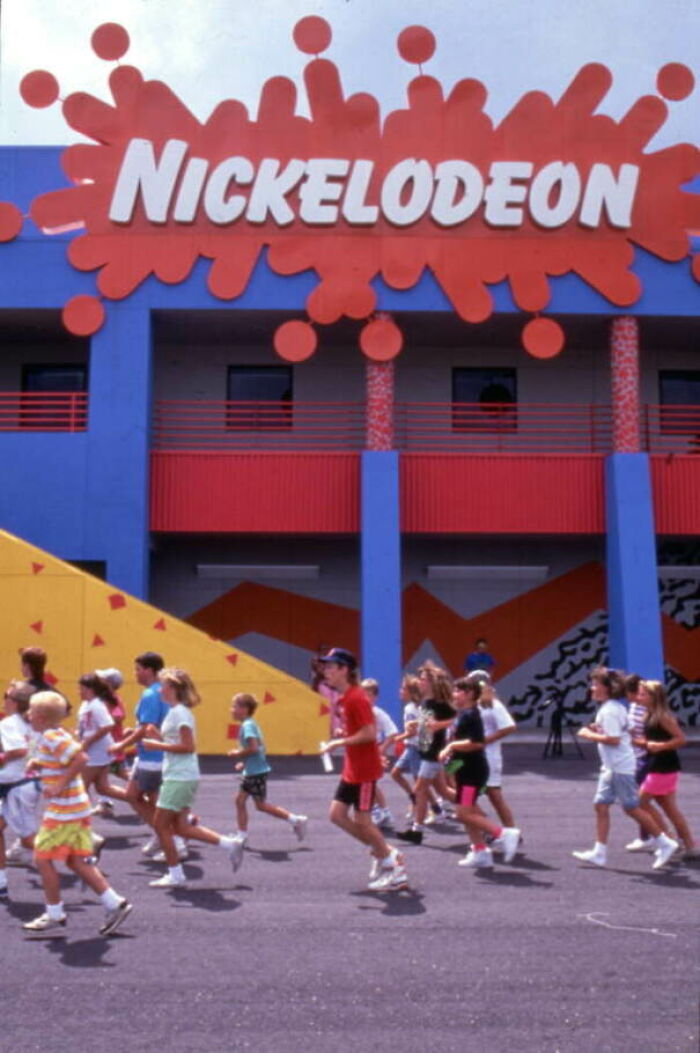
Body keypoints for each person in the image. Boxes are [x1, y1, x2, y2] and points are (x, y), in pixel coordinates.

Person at [22, 691, 132, 937]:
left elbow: (80, 758)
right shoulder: (54, 734)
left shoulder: (51, 736)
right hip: (74, 808)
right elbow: (64, 756)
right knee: (75, 861)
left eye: (30, 710)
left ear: (39, 716)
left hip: (65, 810)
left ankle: (54, 912)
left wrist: (60, 784)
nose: (27, 714)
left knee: (42, 858)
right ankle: (115, 904)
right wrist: (38, 764)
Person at [142, 668, 243, 889]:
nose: (160, 689)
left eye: (164, 685)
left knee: (161, 825)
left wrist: (155, 744)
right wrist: (157, 736)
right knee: (181, 827)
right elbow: (177, 742)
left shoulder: (179, 713)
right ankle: (230, 844)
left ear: (174, 689)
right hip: (181, 775)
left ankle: (175, 875)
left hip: (180, 777)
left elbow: (188, 747)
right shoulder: (177, 712)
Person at [319, 648, 408, 892]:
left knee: (363, 820)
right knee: (336, 815)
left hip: (364, 770)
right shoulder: (345, 698)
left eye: (330, 667)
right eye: (325, 667)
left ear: (344, 670)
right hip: (352, 769)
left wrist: (339, 742)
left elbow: (369, 734)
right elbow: (358, 730)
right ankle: (384, 852)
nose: (325, 671)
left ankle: (394, 865)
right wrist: (343, 734)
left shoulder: (357, 698)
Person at [572, 667, 678, 870]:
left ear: (607, 688)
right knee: (601, 805)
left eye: (596, 684)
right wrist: (599, 728)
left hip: (619, 767)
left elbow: (614, 739)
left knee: (631, 807)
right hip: (612, 767)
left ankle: (665, 842)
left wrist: (588, 734)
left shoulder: (610, 710)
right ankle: (599, 852)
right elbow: (626, 729)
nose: (591, 687)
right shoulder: (614, 708)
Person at [111, 651, 186, 860]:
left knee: (141, 798)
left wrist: (121, 745)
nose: (135, 674)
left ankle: (171, 839)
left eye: (138, 669)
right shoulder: (162, 692)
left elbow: (146, 728)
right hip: (156, 756)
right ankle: (164, 836)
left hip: (152, 757)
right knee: (145, 799)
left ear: (149, 670)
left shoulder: (151, 694)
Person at [439, 678, 521, 868]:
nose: (453, 694)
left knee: (463, 814)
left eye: (457, 691)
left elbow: (476, 742)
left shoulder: (471, 715)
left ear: (468, 694)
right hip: (465, 770)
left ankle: (503, 834)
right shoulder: (464, 714)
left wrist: (450, 746)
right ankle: (480, 851)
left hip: (472, 773)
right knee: (467, 812)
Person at [228, 693, 308, 848]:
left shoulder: (248, 725)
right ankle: (242, 835)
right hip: (253, 770)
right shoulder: (249, 723)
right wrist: (244, 764)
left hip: (256, 773)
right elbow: (256, 749)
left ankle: (296, 820)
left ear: (244, 709)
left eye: (234, 706)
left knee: (255, 804)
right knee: (243, 802)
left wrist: (237, 754)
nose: (231, 710)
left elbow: (253, 747)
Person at [635, 680, 697, 859]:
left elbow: (681, 739)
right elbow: (648, 741)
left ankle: (668, 839)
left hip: (664, 766)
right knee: (670, 808)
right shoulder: (648, 715)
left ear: (654, 697)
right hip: (657, 763)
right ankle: (689, 845)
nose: (639, 697)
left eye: (642, 694)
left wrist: (661, 746)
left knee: (640, 802)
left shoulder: (663, 717)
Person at [397, 660, 455, 846]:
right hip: (426, 752)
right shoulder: (427, 703)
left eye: (423, 679)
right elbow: (425, 727)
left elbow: (455, 719)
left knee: (419, 790)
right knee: (443, 791)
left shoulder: (439, 704)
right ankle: (472, 807)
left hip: (433, 754)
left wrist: (438, 725)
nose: (419, 682)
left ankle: (417, 831)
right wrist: (414, 726)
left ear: (431, 683)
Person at [0, 681, 41, 899]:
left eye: (6, 695)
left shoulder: (9, 723)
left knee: (28, 839)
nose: (3, 699)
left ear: (14, 702)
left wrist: (2, 758)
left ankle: (82, 854)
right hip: (24, 783)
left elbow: (18, 749)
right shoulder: (34, 722)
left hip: (15, 783)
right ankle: (1, 882)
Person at [474, 674, 518, 832]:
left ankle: (508, 832)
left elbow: (509, 726)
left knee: (494, 795)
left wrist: (485, 740)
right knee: (465, 800)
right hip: (471, 759)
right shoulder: (472, 705)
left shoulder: (492, 704)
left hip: (488, 758)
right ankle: (487, 831)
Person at [360, 679, 399, 829]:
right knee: (367, 782)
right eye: (362, 694)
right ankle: (383, 812)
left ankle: (380, 811)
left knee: (368, 782)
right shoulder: (361, 712)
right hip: (362, 751)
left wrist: (380, 750)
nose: (364, 697)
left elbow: (393, 733)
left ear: (375, 696)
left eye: (368, 694)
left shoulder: (378, 713)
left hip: (372, 750)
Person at [93, 667, 130, 817]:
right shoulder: (103, 699)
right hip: (107, 745)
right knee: (103, 775)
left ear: (108, 684)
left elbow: (119, 716)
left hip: (111, 744)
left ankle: (143, 790)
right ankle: (105, 803)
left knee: (121, 772)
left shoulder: (112, 699)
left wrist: (102, 721)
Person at [390, 675, 423, 821]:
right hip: (412, 747)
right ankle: (421, 804)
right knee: (396, 773)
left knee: (424, 783)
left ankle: (425, 810)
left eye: (403, 688)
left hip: (417, 748)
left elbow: (417, 731)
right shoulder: (410, 707)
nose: (400, 691)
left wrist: (399, 738)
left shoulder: (419, 708)